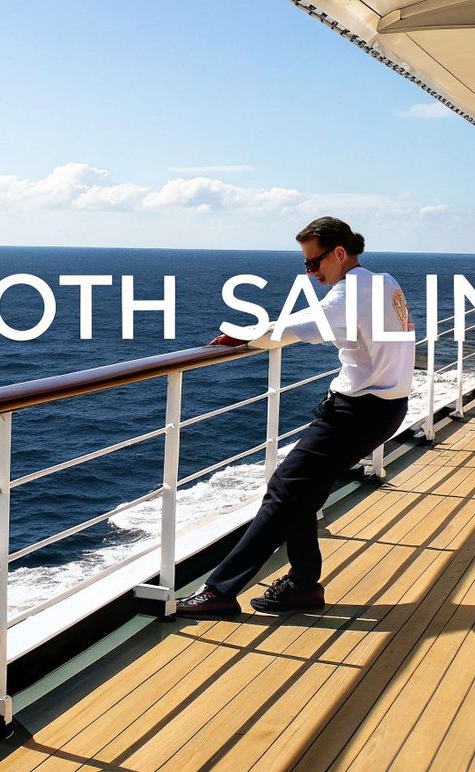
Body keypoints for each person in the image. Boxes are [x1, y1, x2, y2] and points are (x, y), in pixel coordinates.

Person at [176, 216, 414, 619]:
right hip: (388, 406)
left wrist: (245, 334)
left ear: (339, 253)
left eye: (314, 262)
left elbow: (298, 327)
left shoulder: (350, 292)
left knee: (285, 488)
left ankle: (220, 590)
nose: (310, 272)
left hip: (357, 410)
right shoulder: (384, 281)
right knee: (300, 492)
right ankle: (303, 587)